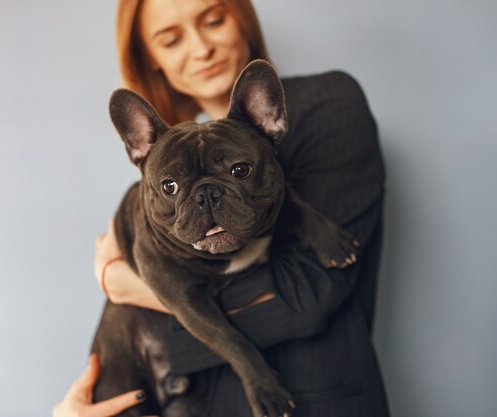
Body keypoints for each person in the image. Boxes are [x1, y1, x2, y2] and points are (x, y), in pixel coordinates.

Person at [55, 0, 390, 415]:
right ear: (151, 58)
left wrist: (137, 290)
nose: (201, 48)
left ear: (242, 19)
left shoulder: (327, 104)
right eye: (171, 38)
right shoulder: (165, 161)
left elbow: (308, 297)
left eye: (212, 20)